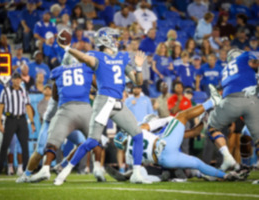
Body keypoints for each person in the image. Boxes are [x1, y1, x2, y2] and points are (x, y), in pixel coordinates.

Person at [55, 27, 149, 185]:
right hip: (104, 101)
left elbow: (137, 81)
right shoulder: (97, 56)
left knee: (138, 135)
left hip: (119, 102)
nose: (117, 41)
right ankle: (64, 172)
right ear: (106, 39)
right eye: (114, 37)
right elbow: (85, 58)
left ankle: (136, 174)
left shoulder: (122, 56)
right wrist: (68, 49)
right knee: (92, 141)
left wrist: (139, 67)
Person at [115, 88, 248, 181]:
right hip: (165, 147)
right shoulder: (141, 129)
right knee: (182, 115)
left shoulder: (130, 156)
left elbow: (193, 132)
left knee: (196, 163)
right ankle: (213, 101)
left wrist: (203, 121)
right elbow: (179, 122)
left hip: (165, 160)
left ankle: (224, 176)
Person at [28, 53, 96, 182]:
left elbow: (58, 95)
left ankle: (58, 167)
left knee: (78, 143)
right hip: (55, 118)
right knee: (47, 147)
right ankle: (31, 172)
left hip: (65, 114)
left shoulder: (59, 75)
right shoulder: (74, 77)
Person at [207, 49, 259, 171]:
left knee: (212, 127)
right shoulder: (244, 57)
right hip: (252, 100)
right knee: (257, 139)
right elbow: (254, 60)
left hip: (231, 100)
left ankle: (227, 157)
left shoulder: (224, 70)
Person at [0, 73, 35, 174]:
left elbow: (28, 107)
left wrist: (32, 122)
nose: (17, 81)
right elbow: (0, 107)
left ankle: (27, 169)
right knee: (5, 145)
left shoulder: (24, 91)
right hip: (10, 119)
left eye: (19, 79)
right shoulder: (5, 91)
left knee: (24, 145)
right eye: (15, 79)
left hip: (22, 119)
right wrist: (0, 123)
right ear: (12, 80)